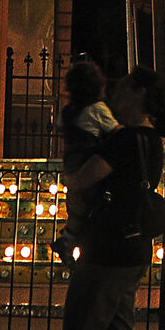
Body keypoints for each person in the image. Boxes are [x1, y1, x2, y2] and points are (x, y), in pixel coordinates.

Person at [60, 69, 165, 330]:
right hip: (136, 247)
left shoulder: (122, 141)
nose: (112, 94)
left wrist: (72, 173)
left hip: (106, 250)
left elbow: (79, 180)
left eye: (121, 88)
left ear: (138, 94)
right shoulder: (153, 141)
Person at [54, 60, 119, 262]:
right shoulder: (98, 110)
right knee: (91, 212)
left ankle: (67, 241)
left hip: (71, 169)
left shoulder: (67, 111)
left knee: (76, 212)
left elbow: (59, 128)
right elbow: (117, 132)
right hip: (91, 171)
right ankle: (81, 249)